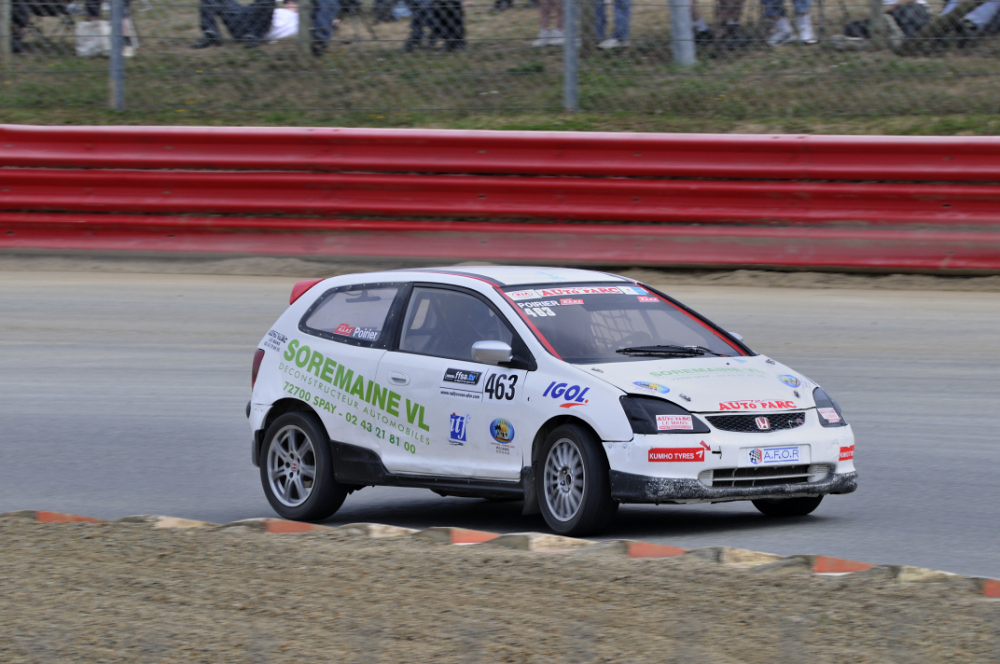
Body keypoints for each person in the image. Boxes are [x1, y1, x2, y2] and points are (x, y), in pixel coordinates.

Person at [192, 0, 337, 54]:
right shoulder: (277, 8)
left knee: (267, 1)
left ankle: (253, 36)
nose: (290, 2)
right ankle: (211, 35)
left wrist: (333, 24)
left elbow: (329, 18)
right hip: (243, 17)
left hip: (258, 29)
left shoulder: (304, 21)